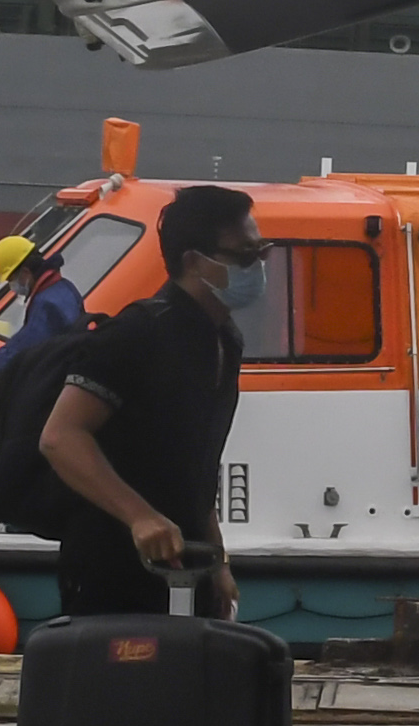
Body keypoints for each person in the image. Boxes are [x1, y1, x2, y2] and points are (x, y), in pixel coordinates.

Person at [36, 187, 263, 619]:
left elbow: (195, 469)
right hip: (114, 567)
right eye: (244, 255)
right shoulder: (137, 334)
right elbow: (60, 436)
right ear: (196, 261)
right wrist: (140, 517)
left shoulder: (224, 340)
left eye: (261, 252)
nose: (257, 268)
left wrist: (218, 561)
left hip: (188, 564)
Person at [0, 233, 90, 380]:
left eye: (11, 279)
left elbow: (23, 353)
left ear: (25, 272)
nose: (12, 286)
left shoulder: (47, 304)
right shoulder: (62, 287)